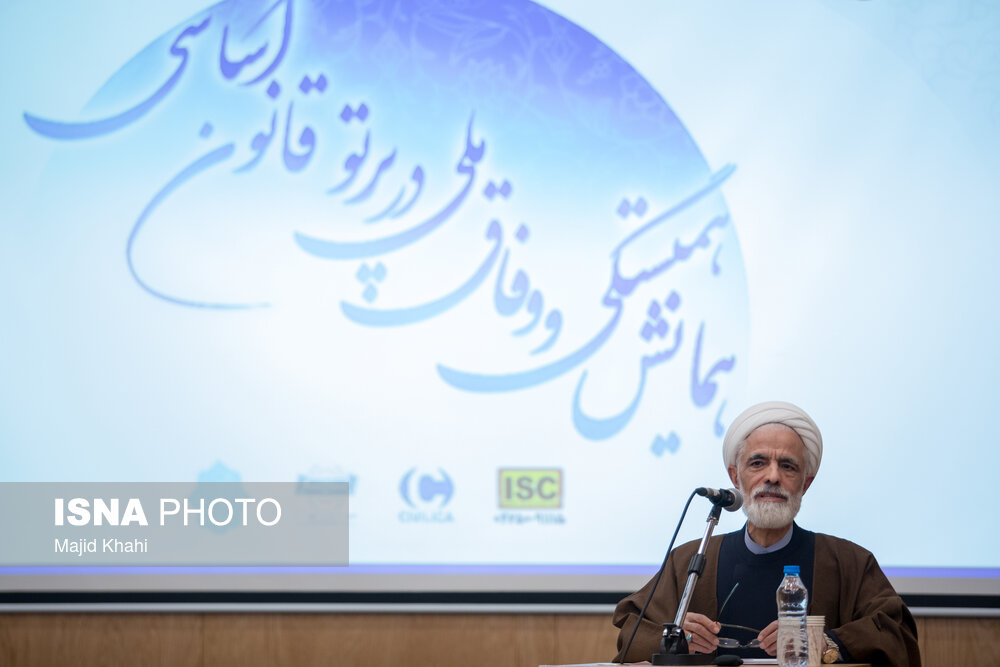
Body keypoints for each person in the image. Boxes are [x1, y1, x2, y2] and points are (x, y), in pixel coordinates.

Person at [613, 401, 921, 666]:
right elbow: (632, 633)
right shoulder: (689, 560)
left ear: (806, 483)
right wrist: (675, 638)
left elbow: (897, 633)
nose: (773, 476)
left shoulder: (849, 562)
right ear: (735, 476)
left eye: (788, 466)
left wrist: (824, 643)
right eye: (758, 463)